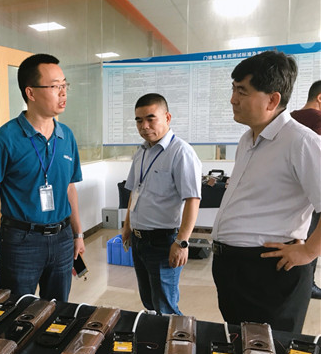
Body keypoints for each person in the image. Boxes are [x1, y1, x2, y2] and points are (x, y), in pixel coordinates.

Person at [211, 51, 321, 333]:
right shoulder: (247, 139)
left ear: (272, 100)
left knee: (270, 351)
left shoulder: (301, 142)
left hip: (269, 274)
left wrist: (308, 251)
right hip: (235, 269)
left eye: (242, 91)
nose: (233, 99)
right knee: (240, 343)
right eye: (233, 90)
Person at [0, 53, 84, 302]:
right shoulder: (6, 138)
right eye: (55, 87)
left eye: (64, 85)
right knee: (17, 309)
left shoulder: (66, 136)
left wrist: (78, 234)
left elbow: (69, 188)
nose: (63, 93)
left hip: (62, 237)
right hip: (22, 241)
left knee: (58, 309)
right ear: (31, 93)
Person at [121, 93, 202, 315]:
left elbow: (192, 199)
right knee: (148, 300)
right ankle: (154, 335)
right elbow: (134, 192)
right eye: (139, 120)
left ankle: (177, 337)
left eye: (151, 118)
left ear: (167, 117)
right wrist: (127, 226)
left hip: (163, 242)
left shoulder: (181, 152)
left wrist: (182, 242)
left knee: (165, 306)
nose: (144, 126)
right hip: (139, 239)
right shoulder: (141, 152)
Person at [291, 80, 321, 300]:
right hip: (312, 192)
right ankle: (307, 284)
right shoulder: (318, 120)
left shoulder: (288, 119)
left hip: (290, 193)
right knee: (311, 240)